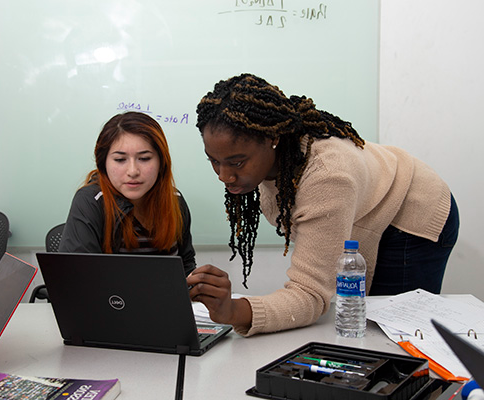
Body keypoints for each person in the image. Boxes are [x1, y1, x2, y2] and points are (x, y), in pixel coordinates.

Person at [187, 73, 459, 337]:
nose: (224, 176)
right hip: (370, 201)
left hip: (411, 212)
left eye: (236, 162)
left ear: (273, 140)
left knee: (391, 332)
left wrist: (234, 311)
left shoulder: (326, 176)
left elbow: (311, 294)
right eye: (213, 160)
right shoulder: (269, 155)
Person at [59, 111, 196, 275]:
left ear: (161, 161)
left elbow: (186, 265)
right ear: (103, 163)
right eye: (120, 160)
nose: (133, 171)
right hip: (110, 300)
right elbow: (80, 277)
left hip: (166, 300)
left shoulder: (175, 200)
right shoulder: (91, 201)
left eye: (144, 158)